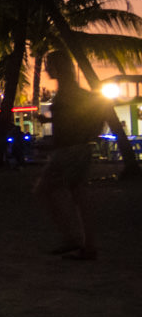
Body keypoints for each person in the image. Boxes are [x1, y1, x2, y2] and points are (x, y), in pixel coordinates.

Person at [35, 51, 111, 260]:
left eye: (49, 65)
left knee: (45, 190)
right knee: (78, 196)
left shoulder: (68, 92)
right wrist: (50, 122)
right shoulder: (70, 92)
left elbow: (82, 113)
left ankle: (73, 239)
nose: (46, 69)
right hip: (77, 148)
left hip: (69, 150)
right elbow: (74, 116)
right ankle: (86, 244)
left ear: (59, 67)